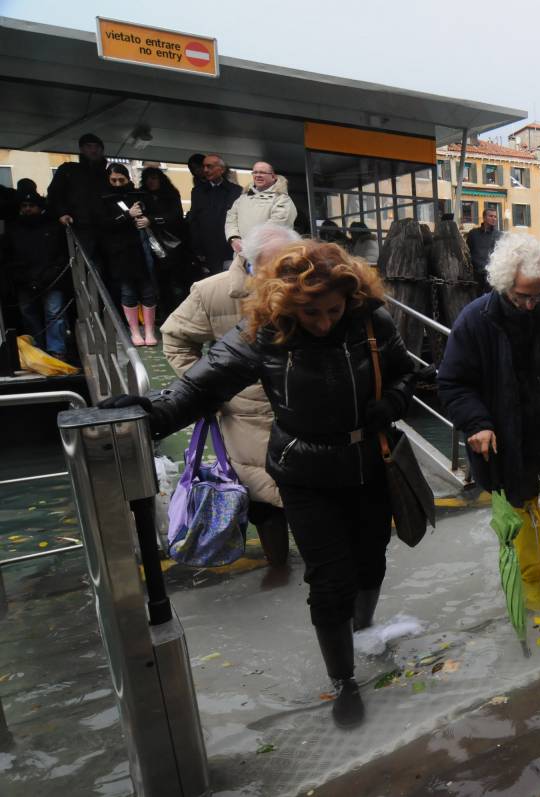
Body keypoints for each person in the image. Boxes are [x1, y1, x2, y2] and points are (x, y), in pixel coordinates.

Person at [105, 239, 418, 728]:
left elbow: (407, 376)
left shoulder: (369, 321)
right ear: (286, 304)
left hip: (368, 463)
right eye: (311, 312)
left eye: (333, 309)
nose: (323, 322)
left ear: (349, 298)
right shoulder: (264, 332)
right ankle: (344, 680)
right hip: (305, 473)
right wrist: (147, 414)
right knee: (330, 579)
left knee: (371, 557)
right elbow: (198, 387)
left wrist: (393, 404)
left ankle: (365, 628)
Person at [438, 232, 540, 608]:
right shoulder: (474, 320)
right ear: (503, 285)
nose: (531, 305)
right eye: (522, 296)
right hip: (504, 441)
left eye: (537, 295)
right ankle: (532, 593)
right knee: (520, 524)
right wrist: (476, 423)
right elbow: (451, 383)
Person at [160, 223, 301, 573]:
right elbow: (176, 339)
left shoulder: (307, 284)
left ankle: (317, 565)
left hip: (301, 402)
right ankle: (279, 565)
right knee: (261, 496)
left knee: (306, 488)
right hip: (243, 412)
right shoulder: (212, 292)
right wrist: (212, 386)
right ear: (248, 260)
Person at [4, 192, 69, 358]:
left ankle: (56, 351)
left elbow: (60, 255)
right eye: (24, 206)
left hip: (51, 278)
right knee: (28, 314)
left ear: (39, 208)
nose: (27, 209)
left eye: (31, 206)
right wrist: (23, 278)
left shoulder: (53, 227)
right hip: (24, 280)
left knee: (54, 314)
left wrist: (50, 275)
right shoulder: (14, 230)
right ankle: (38, 349)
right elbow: (9, 257)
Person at [100, 164, 158, 346]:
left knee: (148, 291)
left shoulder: (139, 196)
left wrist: (148, 220)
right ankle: (134, 332)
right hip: (120, 253)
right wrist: (127, 215)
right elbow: (103, 225)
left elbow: (156, 214)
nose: (117, 184)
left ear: (128, 179)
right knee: (128, 291)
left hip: (142, 250)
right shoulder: (104, 199)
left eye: (121, 180)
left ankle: (149, 330)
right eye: (114, 180)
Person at [46, 133, 109, 258]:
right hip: (78, 227)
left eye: (97, 147)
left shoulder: (108, 174)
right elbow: (54, 193)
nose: (93, 150)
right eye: (89, 146)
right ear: (81, 149)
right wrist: (62, 213)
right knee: (84, 263)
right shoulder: (68, 170)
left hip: (106, 228)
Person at [225, 161, 297, 266]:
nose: (258, 175)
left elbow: (276, 227)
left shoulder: (282, 199)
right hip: (241, 256)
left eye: (262, 172)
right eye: (255, 172)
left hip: (268, 258)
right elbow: (231, 219)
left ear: (273, 176)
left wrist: (249, 246)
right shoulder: (242, 198)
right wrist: (234, 239)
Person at [139, 166, 187, 316]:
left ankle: (177, 313)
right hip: (149, 243)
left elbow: (175, 216)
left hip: (172, 244)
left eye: (154, 178)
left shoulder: (170, 194)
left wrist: (152, 220)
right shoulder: (141, 195)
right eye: (148, 179)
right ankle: (163, 313)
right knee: (157, 282)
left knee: (175, 282)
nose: (150, 182)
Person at [188, 154, 241, 274]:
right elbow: (194, 221)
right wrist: (197, 249)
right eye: (204, 167)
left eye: (209, 166)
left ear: (221, 169)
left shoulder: (236, 191)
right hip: (207, 249)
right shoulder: (198, 192)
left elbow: (240, 221)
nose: (205, 170)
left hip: (229, 248)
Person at [465, 207, 501, 295]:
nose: (493, 218)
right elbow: (467, 253)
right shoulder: (473, 234)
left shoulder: (499, 235)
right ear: (484, 217)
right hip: (475, 277)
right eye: (491, 216)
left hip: (493, 277)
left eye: (495, 217)